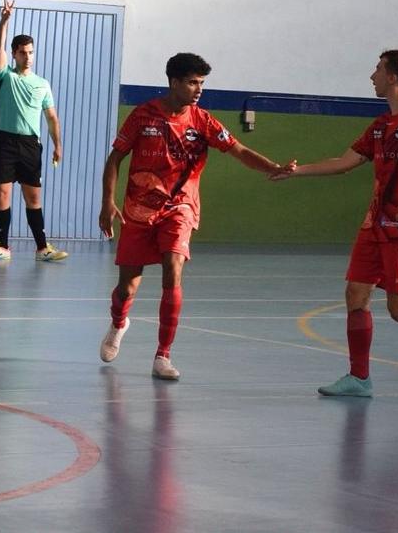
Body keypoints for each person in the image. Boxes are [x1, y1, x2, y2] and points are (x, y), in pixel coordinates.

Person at [271, 50, 398, 397]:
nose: (372, 76)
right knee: (355, 293)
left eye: (378, 70)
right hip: (373, 225)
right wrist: (297, 171)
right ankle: (359, 378)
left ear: (393, 77)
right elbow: (343, 162)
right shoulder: (381, 125)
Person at [98, 52, 294, 380]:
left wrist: (271, 167)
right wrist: (108, 202)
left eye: (202, 83)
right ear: (173, 82)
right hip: (138, 210)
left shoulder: (203, 121)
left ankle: (163, 355)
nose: (198, 89)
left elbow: (239, 150)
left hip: (180, 208)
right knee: (127, 287)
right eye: (192, 82)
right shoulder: (142, 115)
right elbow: (114, 159)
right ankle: (119, 322)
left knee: (173, 268)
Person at [0, 0, 68, 262]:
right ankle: (2, 247)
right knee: (2, 193)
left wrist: (58, 145)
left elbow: (51, 117)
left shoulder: (42, 83)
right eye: (22, 52)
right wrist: (4, 21)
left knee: (33, 196)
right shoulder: (5, 76)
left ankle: (43, 248)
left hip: (31, 144)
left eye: (30, 52)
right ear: (15, 54)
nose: (27, 57)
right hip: (5, 141)